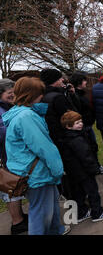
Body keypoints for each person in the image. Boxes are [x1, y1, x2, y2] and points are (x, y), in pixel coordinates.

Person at [2, 77, 68, 235]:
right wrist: (58, 169)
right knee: (40, 214)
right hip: (36, 174)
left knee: (49, 208)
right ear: (32, 95)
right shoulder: (26, 117)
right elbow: (44, 148)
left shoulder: (20, 114)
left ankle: (56, 231)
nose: (42, 97)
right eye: (40, 94)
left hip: (32, 171)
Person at [60, 111, 103, 223]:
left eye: (81, 121)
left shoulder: (66, 138)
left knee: (79, 193)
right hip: (85, 171)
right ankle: (97, 213)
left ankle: (81, 213)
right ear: (68, 126)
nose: (81, 124)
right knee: (93, 192)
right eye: (77, 123)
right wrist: (94, 169)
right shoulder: (77, 140)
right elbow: (86, 156)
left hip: (75, 172)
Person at [40, 68, 80, 199]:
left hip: (53, 139)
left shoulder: (42, 97)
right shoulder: (57, 98)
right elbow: (70, 117)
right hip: (65, 138)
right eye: (59, 78)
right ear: (54, 81)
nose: (62, 80)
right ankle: (77, 202)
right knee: (72, 171)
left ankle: (66, 194)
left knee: (62, 170)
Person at [0, 79, 28, 235]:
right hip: (5, 156)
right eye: (9, 93)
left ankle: (20, 217)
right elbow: (3, 133)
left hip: (10, 154)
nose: (13, 96)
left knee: (15, 186)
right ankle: (17, 223)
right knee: (10, 187)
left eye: (14, 92)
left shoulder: (7, 107)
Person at [69, 72, 103, 174]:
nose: (86, 82)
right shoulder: (76, 96)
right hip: (84, 126)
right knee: (91, 147)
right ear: (79, 83)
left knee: (93, 146)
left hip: (87, 125)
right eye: (84, 80)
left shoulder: (80, 94)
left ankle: (96, 166)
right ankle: (96, 168)